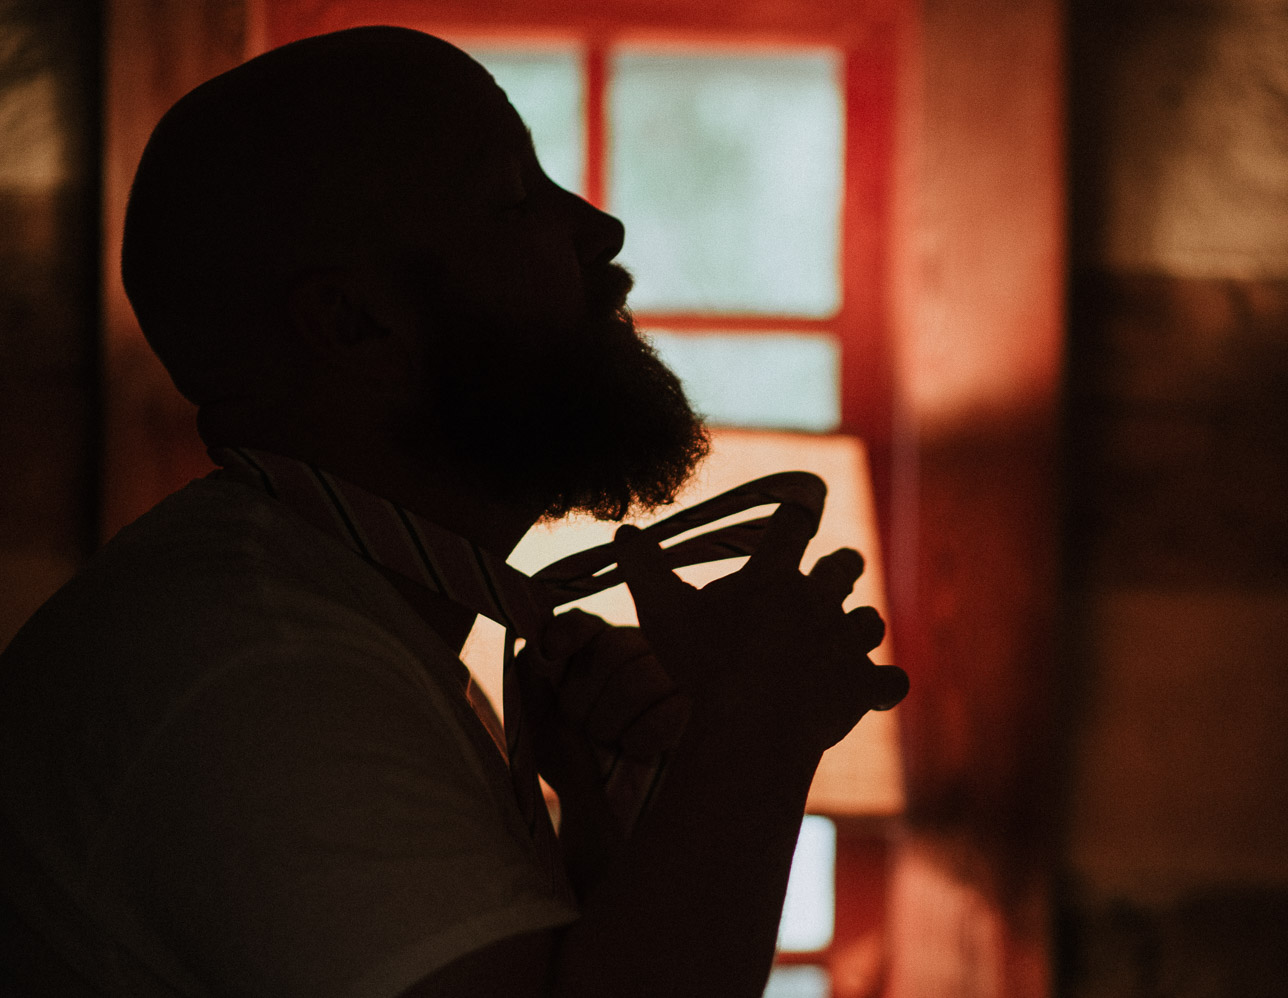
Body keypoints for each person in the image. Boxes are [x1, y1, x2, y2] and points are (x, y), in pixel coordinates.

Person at [0, 24, 907, 998]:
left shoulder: (333, 623)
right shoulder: (263, 671)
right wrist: (754, 734)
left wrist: (608, 827)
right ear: (351, 322)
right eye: (513, 200)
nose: (600, 231)